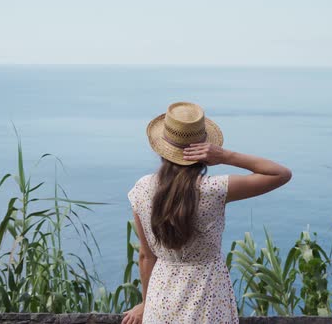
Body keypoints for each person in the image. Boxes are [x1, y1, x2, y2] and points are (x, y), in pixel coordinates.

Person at [122, 102, 292, 324]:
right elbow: (281, 174)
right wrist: (226, 156)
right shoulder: (213, 190)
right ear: (205, 150)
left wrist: (146, 303)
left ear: (163, 148)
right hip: (207, 302)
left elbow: (146, 256)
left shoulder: (142, 189)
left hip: (159, 301)